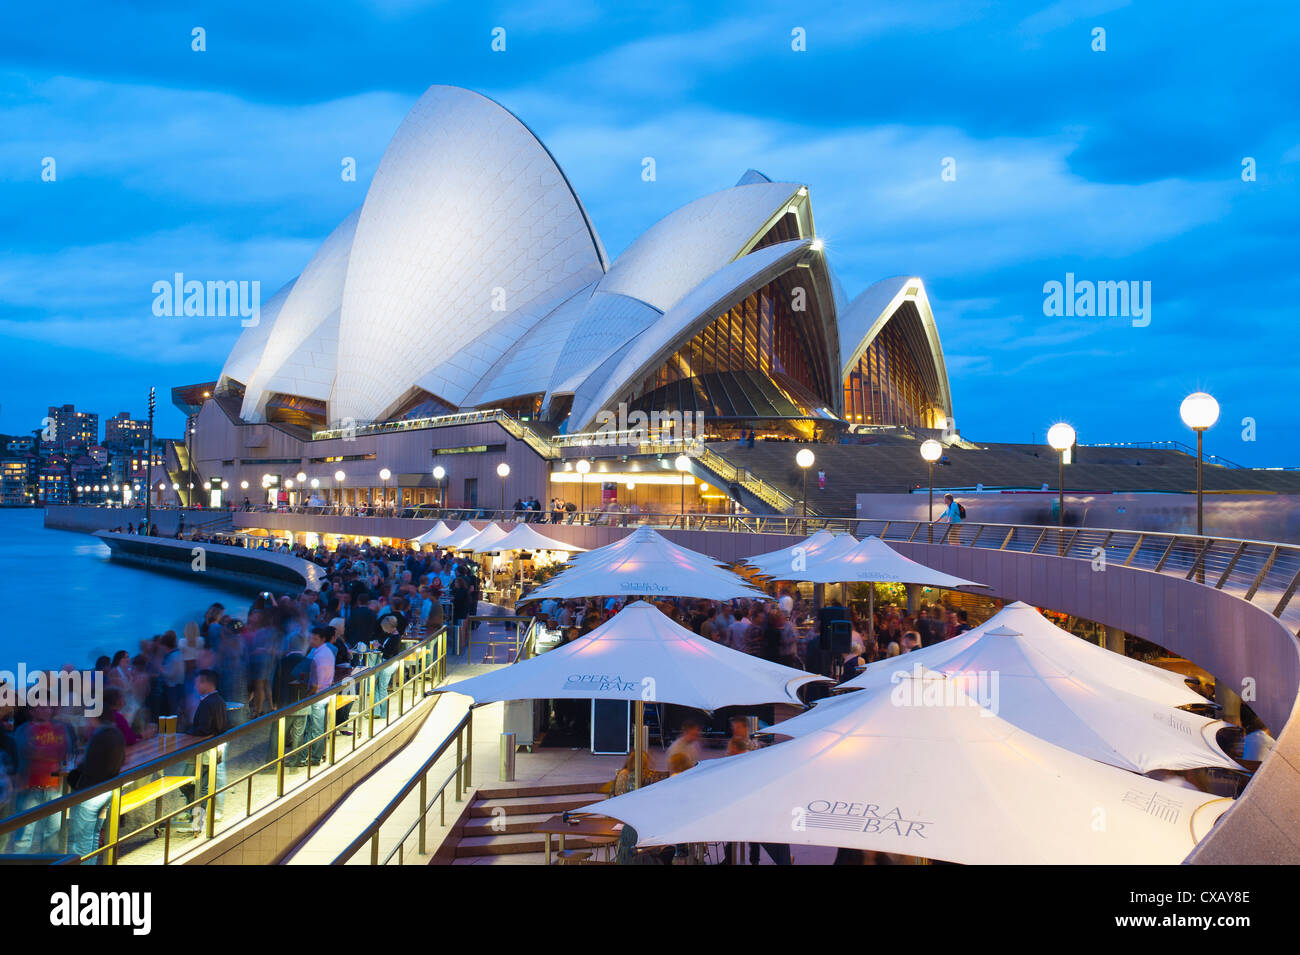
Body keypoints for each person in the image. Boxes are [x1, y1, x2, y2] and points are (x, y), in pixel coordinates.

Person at [67, 703, 126, 863]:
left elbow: (91, 768)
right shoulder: (115, 733)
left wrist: (76, 770)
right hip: (107, 790)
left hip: (91, 792)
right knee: (93, 834)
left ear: (94, 716)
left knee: (81, 839)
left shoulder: (100, 736)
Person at [183, 669, 229, 833]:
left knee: (193, 785)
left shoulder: (208, 703)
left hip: (206, 751)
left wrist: (187, 733)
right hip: (214, 748)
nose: (195, 686)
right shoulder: (218, 701)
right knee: (198, 785)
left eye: (198, 682)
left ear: (206, 682)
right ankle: (195, 816)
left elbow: (204, 729)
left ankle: (197, 820)